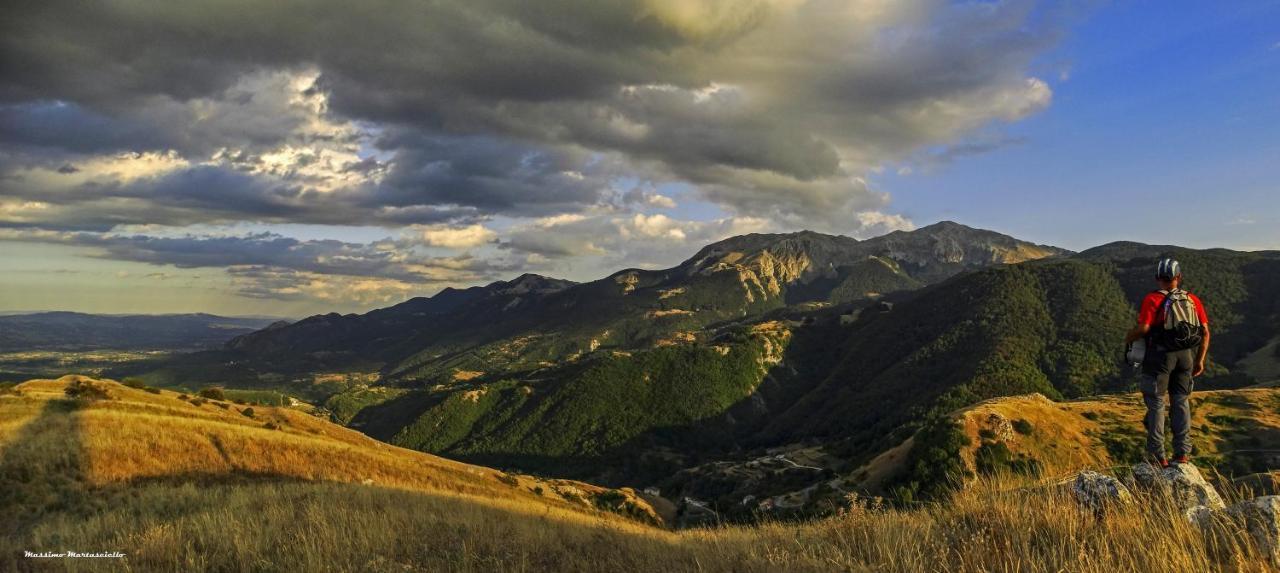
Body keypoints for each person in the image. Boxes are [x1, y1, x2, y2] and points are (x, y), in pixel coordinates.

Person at [1123, 258, 1210, 467]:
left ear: (1157, 278)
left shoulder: (1152, 299)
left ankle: (1157, 456)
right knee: (1181, 403)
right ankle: (1182, 453)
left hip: (1160, 358)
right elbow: (1205, 333)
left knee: (1156, 405)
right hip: (1185, 357)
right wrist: (1200, 360)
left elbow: (1144, 329)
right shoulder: (1192, 299)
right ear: (1178, 277)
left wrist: (1128, 338)